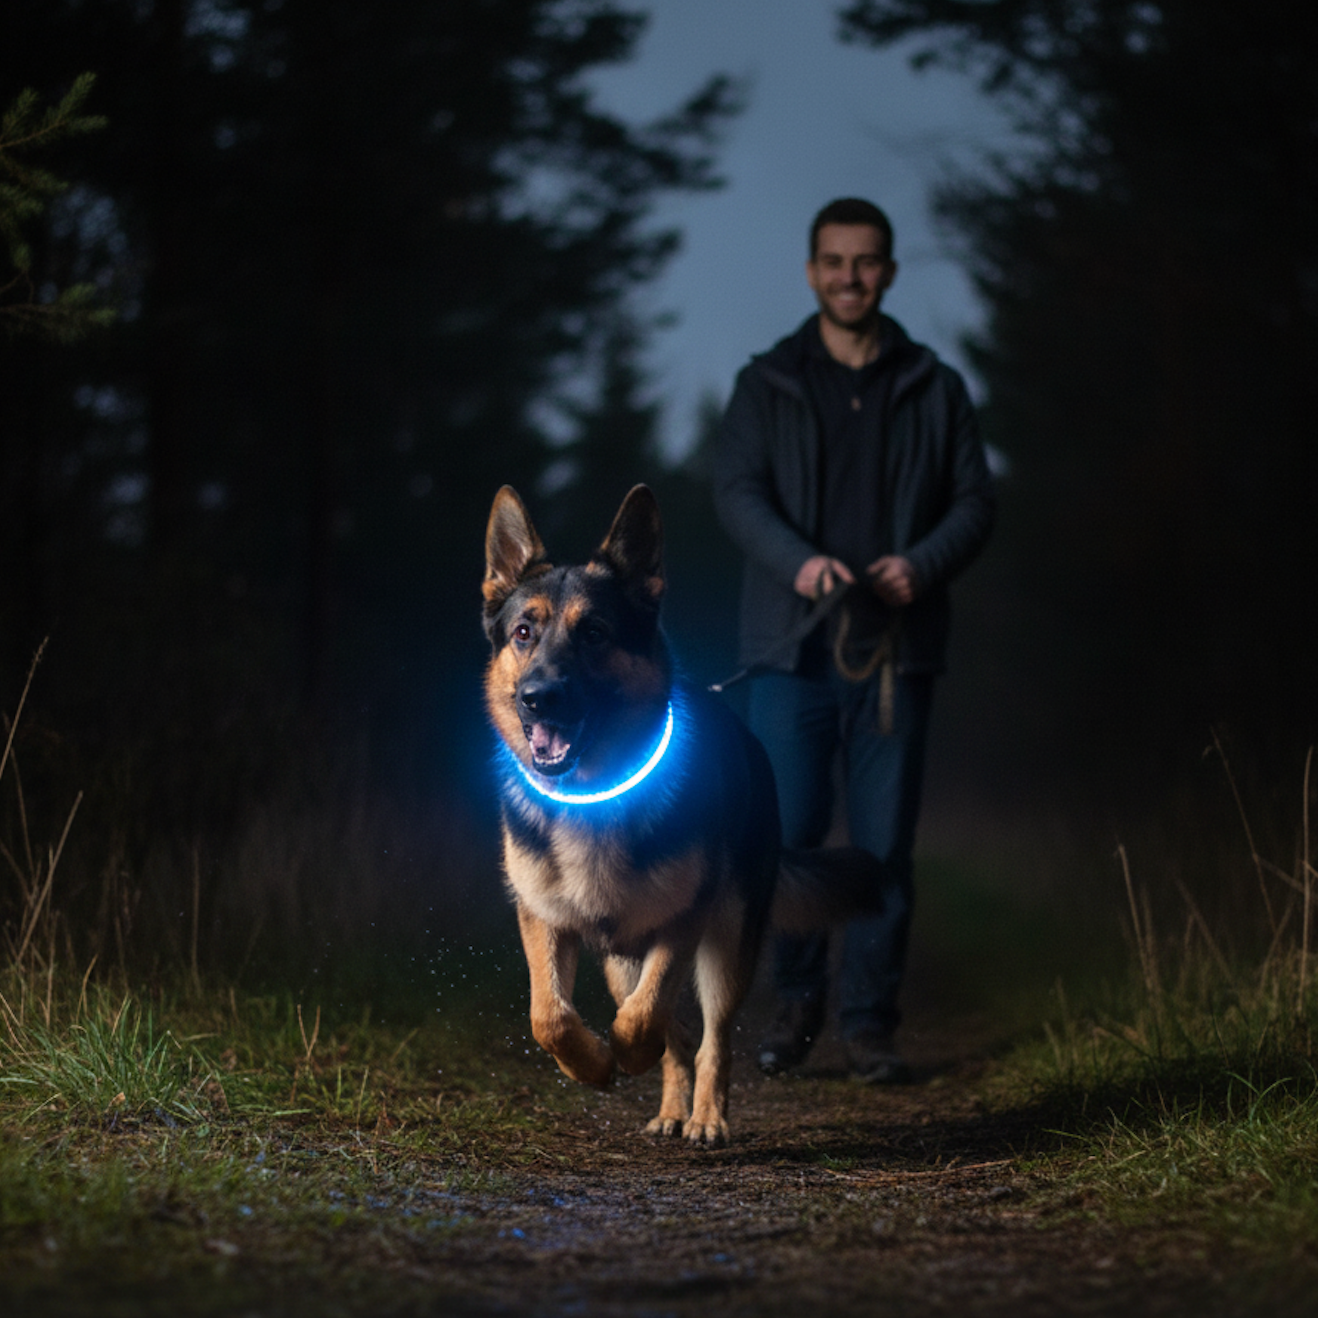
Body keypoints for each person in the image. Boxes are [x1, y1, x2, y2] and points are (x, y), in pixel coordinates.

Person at [713, 197, 996, 1083]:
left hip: (895, 656)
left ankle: (870, 1025)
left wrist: (924, 564)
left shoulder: (935, 386)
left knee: (884, 850)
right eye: (834, 261)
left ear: (889, 272)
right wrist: (801, 565)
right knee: (786, 841)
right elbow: (736, 492)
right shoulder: (767, 382)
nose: (850, 276)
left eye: (866, 261)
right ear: (811, 272)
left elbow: (975, 503)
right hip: (789, 654)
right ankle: (796, 1006)